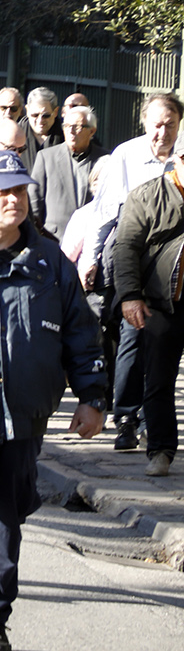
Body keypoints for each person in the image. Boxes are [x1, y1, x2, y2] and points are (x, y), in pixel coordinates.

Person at [0, 149, 107, 650]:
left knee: (5, 518)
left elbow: (82, 333)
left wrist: (92, 397)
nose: (14, 200)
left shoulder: (50, 260)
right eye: (2, 192)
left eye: (20, 190)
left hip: (23, 416)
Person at [109, 146, 184, 477]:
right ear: (177, 159)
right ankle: (161, 450)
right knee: (157, 379)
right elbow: (125, 246)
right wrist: (129, 295)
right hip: (159, 301)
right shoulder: (149, 195)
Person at [30, 102, 99, 239]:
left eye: (77, 127)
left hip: (91, 240)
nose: (71, 131)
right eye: (67, 126)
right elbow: (34, 200)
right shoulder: (46, 157)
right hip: (53, 239)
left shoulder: (104, 160)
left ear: (92, 131)